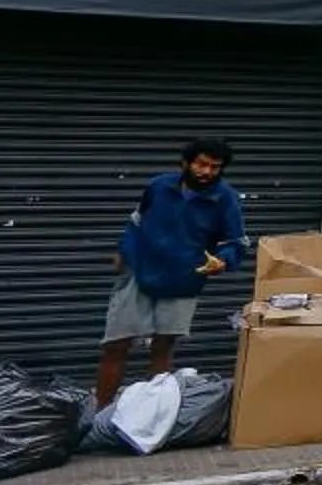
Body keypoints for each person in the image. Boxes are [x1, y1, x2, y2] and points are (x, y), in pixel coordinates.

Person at [96, 138, 246, 406]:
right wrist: (124, 251)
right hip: (140, 275)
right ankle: (98, 417)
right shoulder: (159, 186)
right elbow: (137, 221)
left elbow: (236, 242)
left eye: (215, 167)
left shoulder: (226, 199)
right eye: (202, 164)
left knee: (161, 349)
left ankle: (151, 417)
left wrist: (223, 261)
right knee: (116, 346)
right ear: (186, 163)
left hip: (183, 281)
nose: (207, 172)